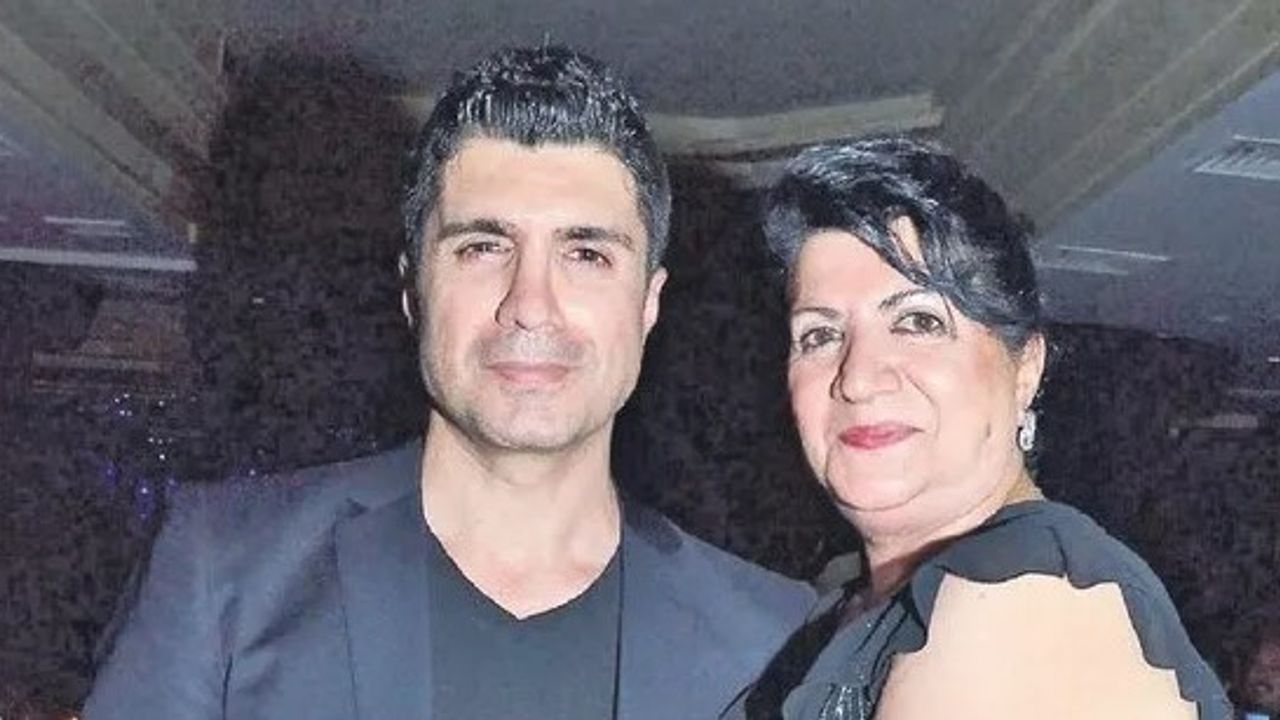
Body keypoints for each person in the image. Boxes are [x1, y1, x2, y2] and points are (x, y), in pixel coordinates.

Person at [84, 45, 814, 719]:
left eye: (587, 254)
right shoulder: (226, 573)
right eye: (483, 247)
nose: (531, 303)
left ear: (648, 303)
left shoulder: (773, 639)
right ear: (413, 291)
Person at [733, 137, 1231, 719]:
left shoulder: (1025, 602)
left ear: (1025, 370)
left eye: (918, 321)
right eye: (820, 335)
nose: (858, 379)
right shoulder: (852, 612)